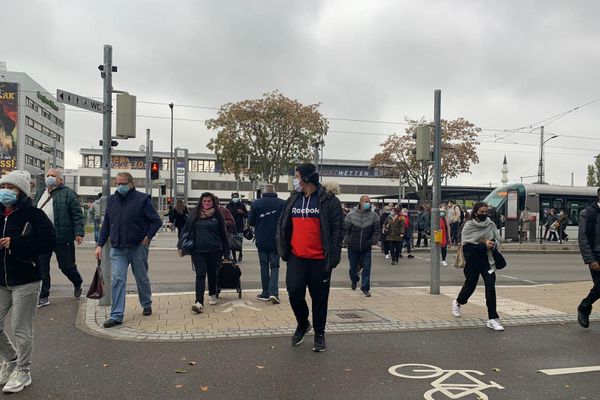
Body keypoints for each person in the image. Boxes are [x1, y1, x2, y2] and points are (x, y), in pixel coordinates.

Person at [0, 170, 56, 393]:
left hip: (26, 279)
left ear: (21, 192)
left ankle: (23, 371)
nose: (5, 191)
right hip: (1, 279)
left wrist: (15, 244)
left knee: (20, 328)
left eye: (11, 188)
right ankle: (11, 358)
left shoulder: (34, 215)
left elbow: (48, 243)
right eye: (3, 186)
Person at [277, 162, 343, 352]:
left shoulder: (329, 201)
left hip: (320, 259)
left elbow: (338, 231)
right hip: (296, 257)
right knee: (294, 293)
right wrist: (282, 247)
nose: (295, 181)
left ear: (306, 179)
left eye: (297, 177)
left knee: (319, 299)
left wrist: (333, 257)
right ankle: (303, 323)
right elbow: (282, 225)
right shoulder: (293, 199)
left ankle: (319, 334)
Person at [95, 172, 163, 328]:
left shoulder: (142, 199)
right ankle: (116, 315)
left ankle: (146, 303)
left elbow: (156, 221)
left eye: (124, 183)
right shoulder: (111, 200)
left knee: (141, 277)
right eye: (118, 183)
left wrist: (147, 238)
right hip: (118, 248)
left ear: (132, 183)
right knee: (117, 279)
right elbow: (106, 224)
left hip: (138, 247)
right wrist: (99, 244)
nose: (121, 186)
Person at [34, 169, 85, 307]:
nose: (50, 178)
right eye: (48, 175)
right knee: (42, 267)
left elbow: (77, 215)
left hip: (62, 236)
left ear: (60, 180)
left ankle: (77, 281)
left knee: (66, 266)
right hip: (42, 237)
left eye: (53, 176)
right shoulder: (40, 194)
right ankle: (43, 295)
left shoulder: (68, 194)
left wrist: (79, 232)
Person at [451, 202, 504, 331]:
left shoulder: (490, 224)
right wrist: (483, 245)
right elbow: (467, 247)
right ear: (475, 213)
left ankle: (492, 318)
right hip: (473, 262)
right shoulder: (468, 226)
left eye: (486, 212)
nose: (484, 214)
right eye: (482, 212)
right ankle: (458, 302)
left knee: (490, 287)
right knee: (470, 286)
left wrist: (493, 243)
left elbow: (498, 240)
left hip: (488, 261)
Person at [183, 192, 231, 312]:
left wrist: (226, 253)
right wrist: (182, 245)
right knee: (200, 274)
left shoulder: (217, 215)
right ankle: (199, 301)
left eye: (209, 201)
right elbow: (187, 231)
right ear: (201, 202)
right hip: (198, 250)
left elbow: (224, 235)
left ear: (213, 202)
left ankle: (212, 293)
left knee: (212, 273)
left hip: (214, 250)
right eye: (204, 201)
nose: (206, 203)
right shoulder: (195, 214)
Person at [249, 184, 285, 304]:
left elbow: (251, 221)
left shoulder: (256, 203)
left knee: (264, 267)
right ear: (275, 191)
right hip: (276, 240)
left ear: (263, 192)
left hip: (261, 239)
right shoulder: (281, 203)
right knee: (275, 267)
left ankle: (265, 292)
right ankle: (273, 293)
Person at [344, 195, 380, 297]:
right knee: (353, 267)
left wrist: (373, 241)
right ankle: (354, 280)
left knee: (367, 267)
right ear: (360, 202)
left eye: (369, 201)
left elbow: (376, 230)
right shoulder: (351, 215)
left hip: (366, 247)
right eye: (366, 201)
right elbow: (346, 229)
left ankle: (365, 288)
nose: (368, 203)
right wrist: (347, 240)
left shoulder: (374, 216)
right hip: (353, 246)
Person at [577, 188, 600, 328]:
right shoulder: (588, 213)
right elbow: (583, 238)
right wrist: (591, 259)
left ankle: (584, 307)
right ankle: (584, 307)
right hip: (596, 256)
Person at [226, 193, 248, 262]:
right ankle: (234, 258)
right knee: (232, 242)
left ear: (238, 198)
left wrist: (242, 212)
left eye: (236, 197)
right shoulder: (229, 205)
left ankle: (240, 254)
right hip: (231, 227)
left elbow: (247, 215)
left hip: (239, 226)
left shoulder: (241, 205)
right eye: (234, 197)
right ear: (231, 198)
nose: (235, 198)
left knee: (239, 241)